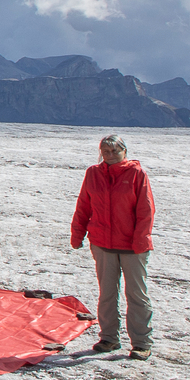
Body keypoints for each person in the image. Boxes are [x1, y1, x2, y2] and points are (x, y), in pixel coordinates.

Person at [71, 133, 156, 358]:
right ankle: (109, 339)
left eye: (115, 151)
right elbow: (84, 205)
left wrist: (139, 241)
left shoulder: (137, 174)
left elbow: (145, 211)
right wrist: (77, 233)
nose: (111, 155)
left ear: (124, 151)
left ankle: (141, 343)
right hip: (102, 244)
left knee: (136, 294)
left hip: (132, 247)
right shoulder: (93, 173)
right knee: (107, 294)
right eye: (106, 152)